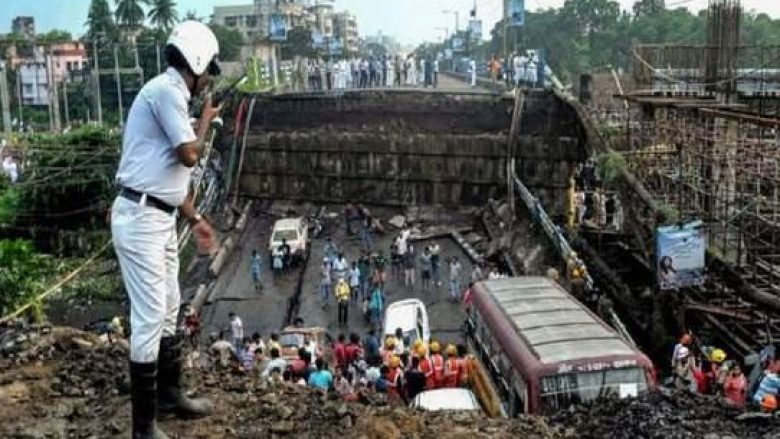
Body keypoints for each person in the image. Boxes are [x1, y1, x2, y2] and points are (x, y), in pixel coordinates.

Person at [111, 20, 221, 438]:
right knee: (150, 315)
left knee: (171, 305)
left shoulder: (171, 94)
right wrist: (206, 120)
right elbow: (190, 155)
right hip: (141, 219)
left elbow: (167, 177)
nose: (209, 78)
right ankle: (143, 427)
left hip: (159, 215)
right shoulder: (165, 92)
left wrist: (194, 218)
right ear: (194, 62)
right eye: (209, 68)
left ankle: (171, 395)